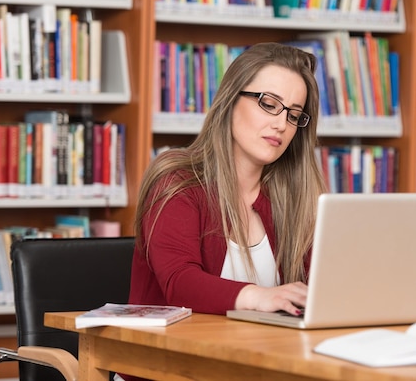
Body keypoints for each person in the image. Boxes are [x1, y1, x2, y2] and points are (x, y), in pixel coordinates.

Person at [129, 42, 327, 318]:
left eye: (293, 115)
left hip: (261, 354)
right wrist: (259, 296)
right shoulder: (177, 182)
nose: (281, 124)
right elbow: (179, 283)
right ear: (231, 100)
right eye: (269, 104)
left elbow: (317, 290)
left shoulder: (292, 198)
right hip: (168, 356)